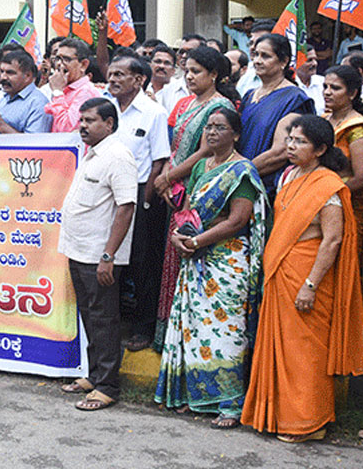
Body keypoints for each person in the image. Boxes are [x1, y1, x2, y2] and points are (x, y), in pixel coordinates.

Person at [241, 115, 363, 442]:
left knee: (305, 353)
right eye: (290, 139)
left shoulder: (328, 185)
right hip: (281, 272)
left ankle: (309, 424)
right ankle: (279, 416)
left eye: (300, 141)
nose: (291, 146)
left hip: (308, 277)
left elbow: (332, 240)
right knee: (280, 348)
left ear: (321, 149)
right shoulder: (289, 174)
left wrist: (311, 285)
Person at [155, 107, 267, 426]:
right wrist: (180, 236)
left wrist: (197, 242)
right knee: (194, 329)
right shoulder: (203, 164)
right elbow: (188, 210)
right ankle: (196, 396)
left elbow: (237, 221)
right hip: (195, 254)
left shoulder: (242, 171)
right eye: (209, 127)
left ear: (236, 134)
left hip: (227, 259)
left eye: (220, 127)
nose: (212, 132)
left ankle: (230, 405)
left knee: (225, 331)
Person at [151, 46, 237, 350]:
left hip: (196, 185)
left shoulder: (219, 106)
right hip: (173, 184)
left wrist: (169, 178)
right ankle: (169, 335)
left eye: (196, 71)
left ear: (214, 75)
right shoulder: (187, 102)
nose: (189, 76)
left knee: (185, 256)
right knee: (169, 256)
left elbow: (205, 152)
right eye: (186, 70)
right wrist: (165, 178)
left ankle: (186, 338)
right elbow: (174, 145)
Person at [57, 97, 137, 411]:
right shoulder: (93, 154)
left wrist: (108, 256)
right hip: (79, 250)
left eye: (90, 121)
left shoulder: (118, 156)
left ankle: (107, 386)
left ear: (109, 124)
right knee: (90, 316)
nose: (83, 126)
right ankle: (93, 376)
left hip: (100, 256)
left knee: (104, 319)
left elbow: (126, 207)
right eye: (82, 120)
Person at [103, 55, 171, 351]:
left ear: (138, 80)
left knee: (142, 263)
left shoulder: (153, 112)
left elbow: (158, 160)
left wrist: (143, 203)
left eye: (120, 74)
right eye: (111, 74)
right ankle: (113, 321)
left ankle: (143, 327)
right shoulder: (105, 108)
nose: (113, 79)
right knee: (111, 257)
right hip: (107, 192)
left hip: (141, 193)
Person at [323, 64, 363, 315]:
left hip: (350, 213)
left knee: (348, 274)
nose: (327, 92)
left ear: (352, 93)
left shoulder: (358, 129)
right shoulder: (324, 121)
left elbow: (362, 178)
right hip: (323, 210)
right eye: (325, 86)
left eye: (335, 88)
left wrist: (324, 190)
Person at [239, 33, 315, 197]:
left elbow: (281, 151)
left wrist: (238, 174)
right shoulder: (249, 95)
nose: (258, 60)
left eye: (265, 56)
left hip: (267, 188)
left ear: (283, 61)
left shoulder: (294, 98)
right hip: (240, 186)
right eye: (256, 55)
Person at [0, 49, 51, 134]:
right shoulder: (3, 98)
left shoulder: (38, 103)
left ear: (27, 76)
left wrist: (1, 126)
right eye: (2, 71)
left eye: (10, 73)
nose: (3, 77)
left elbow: (34, 145)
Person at [45, 38, 102, 133]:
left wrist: (57, 92)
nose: (59, 64)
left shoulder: (86, 92)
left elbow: (67, 129)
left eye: (66, 59)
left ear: (83, 65)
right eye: (58, 58)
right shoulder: (62, 87)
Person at [235, 19, 275, 96]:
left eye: (260, 43)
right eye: (251, 43)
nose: (253, 47)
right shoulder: (246, 75)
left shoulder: (291, 81)